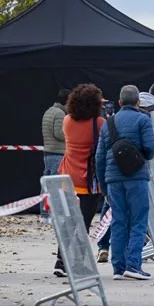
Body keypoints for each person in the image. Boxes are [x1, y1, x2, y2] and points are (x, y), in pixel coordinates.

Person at [96, 85, 154, 280]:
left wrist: (103, 186)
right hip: (136, 177)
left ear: (120, 102)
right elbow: (149, 148)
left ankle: (118, 269)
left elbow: (99, 157)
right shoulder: (143, 119)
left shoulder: (108, 123)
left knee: (118, 222)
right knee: (138, 221)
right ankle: (134, 265)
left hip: (113, 180)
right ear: (138, 102)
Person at [52, 84, 106, 276]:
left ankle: (60, 261)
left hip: (67, 176)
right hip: (88, 181)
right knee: (83, 223)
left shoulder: (67, 120)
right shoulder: (98, 123)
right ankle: (76, 263)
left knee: (67, 222)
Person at [41, 88, 70, 221]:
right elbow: (59, 133)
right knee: (56, 185)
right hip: (57, 153)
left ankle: (45, 213)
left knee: (47, 184)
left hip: (48, 152)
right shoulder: (59, 114)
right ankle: (52, 214)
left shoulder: (49, 111)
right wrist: (71, 133)